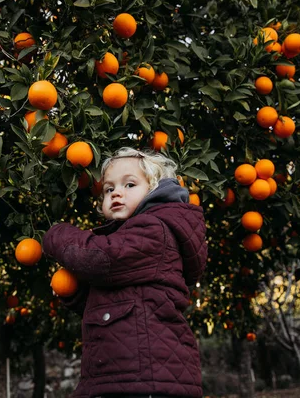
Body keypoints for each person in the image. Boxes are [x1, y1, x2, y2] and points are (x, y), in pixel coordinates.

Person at [43, 147, 207, 398]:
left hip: (147, 378)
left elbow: (98, 258)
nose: (117, 192)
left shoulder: (154, 230)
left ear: (154, 191)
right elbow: (112, 303)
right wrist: (74, 294)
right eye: (109, 189)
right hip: (126, 375)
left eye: (129, 185)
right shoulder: (128, 239)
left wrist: (57, 234)